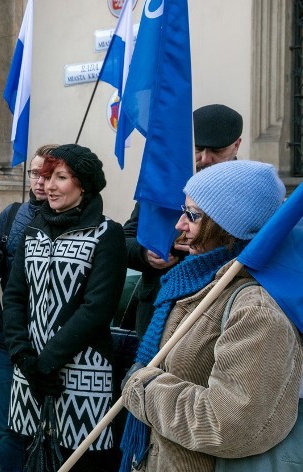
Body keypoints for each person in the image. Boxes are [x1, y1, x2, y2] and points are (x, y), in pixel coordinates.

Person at [120, 160, 302, 472]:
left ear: (227, 225)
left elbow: (231, 423)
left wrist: (144, 389)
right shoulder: (195, 280)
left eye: (193, 214)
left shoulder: (255, 308)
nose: (179, 224)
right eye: (184, 209)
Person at [2, 144, 127, 470]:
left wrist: (47, 362)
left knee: (80, 462)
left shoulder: (106, 234)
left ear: (83, 184)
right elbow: (15, 298)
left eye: (60, 177)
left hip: (81, 376)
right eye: (46, 177)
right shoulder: (32, 232)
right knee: (32, 458)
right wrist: (24, 357)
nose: (49, 185)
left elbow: (96, 309)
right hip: (29, 375)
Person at [127, 104, 243, 337]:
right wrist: (146, 253)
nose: (205, 159)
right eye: (198, 149)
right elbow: (124, 239)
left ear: (237, 144)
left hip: (216, 309)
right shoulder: (163, 185)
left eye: (217, 151)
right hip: (157, 310)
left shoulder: (249, 189)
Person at [0, 143, 57, 472]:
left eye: (49, 174)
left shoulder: (71, 220)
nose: (39, 181)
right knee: (8, 427)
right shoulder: (11, 214)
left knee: (48, 428)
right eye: (35, 173)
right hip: (5, 338)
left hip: (48, 341)